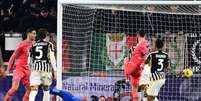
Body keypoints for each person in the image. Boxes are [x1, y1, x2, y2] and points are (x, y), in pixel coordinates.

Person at [4, 28, 36, 101]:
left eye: (35, 34)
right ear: (28, 34)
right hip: (19, 68)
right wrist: (8, 70)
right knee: (14, 88)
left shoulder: (35, 45)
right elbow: (13, 57)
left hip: (28, 69)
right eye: (33, 33)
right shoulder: (22, 44)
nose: (35, 35)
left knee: (30, 89)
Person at [28, 28, 57, 101]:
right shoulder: (49, 44)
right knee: (46, 89)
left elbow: (29, 59)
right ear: (45, 36)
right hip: (46, 70)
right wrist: (55, 71)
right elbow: (52, 57)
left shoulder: (33, 45)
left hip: (35, 69)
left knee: (33, 90)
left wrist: (30, 68)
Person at [124, 30, 149, 101]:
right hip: (141, 69)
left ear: (137, 36)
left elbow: (129, 58)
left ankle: (126, 78)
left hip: (133, 68)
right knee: (142, 89)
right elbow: (146, 55)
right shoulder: (146, 44)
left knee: (134, 89)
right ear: (145, 35)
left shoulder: (134, 48)